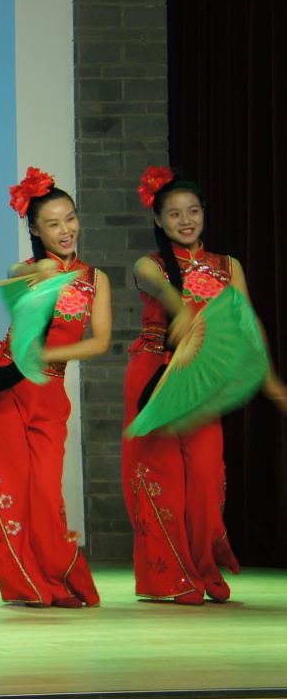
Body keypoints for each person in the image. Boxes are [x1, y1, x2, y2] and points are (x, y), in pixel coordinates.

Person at [121, 167, 287, 604]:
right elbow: (158, 286)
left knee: (206, 476)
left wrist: (271, 381)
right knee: (163, 477)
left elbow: (248, 324)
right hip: (156, 371)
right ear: (159, 220)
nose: (185, 220)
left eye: (192, 211)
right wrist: (180, 310)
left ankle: (202, 568)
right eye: (174, 214)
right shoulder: (150, 264)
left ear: (203, 213)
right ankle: (169, 577)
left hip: (200, 379)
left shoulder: (228, 266)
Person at [0, 168, 109, 608]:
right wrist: (46, 270)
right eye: (52, 223)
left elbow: (100, 342)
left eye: (70, 218)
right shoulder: (29, 270)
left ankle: (58, 577)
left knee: (47, 493)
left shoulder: (95, 279)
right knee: (10, 489)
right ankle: (27, 586)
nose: (65, 229)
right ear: (34, 230)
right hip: (6, 386)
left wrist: (46, 355)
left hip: (49, 390)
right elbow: (18, 272)